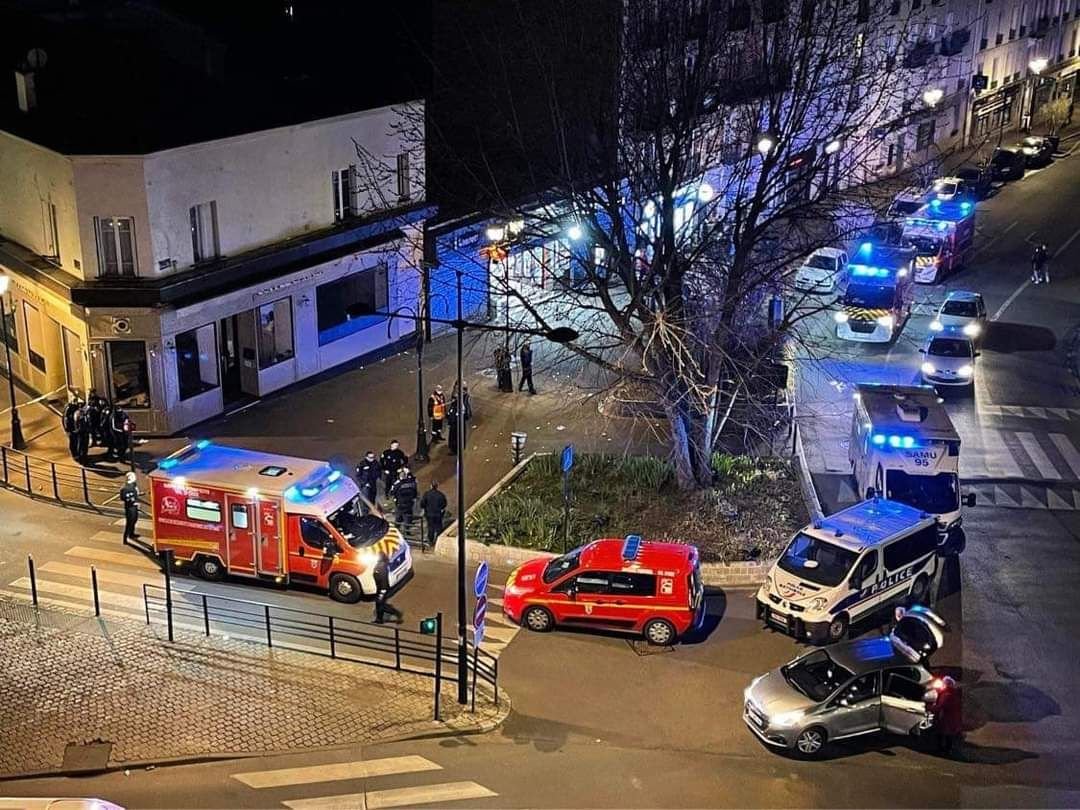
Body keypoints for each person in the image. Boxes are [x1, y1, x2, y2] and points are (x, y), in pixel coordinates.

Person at [930, 676, 963, 755]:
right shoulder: (954, 694)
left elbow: (940, 707)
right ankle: (947, 750)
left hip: (945, 719)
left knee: (941, 734)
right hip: (953, 719)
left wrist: (929, 708)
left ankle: (942, 750)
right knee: (949, 736)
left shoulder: (947, 695)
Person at [372, 555, 403, 624]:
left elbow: (383, 581)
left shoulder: (381, 568)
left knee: (381, 604)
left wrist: (382, 592)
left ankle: (396, 613)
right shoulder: (381, 565)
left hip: (382, 589)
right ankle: (379, 619)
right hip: (380, 587)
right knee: (378, 603)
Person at [419, 480, 447, 551]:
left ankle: (431, 541)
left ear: (431, 486)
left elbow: (422, 503)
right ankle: (438, 540)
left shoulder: (427, 494)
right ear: (437, 486)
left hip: (429, 514)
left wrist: (424, 508)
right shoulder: (441, 494)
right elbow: (444, 504)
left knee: (430, 527)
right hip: (438, 514)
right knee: (438, 527)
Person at [447, 382, 473, 455]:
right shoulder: (455, 395)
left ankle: (458, 448)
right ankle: (453, 448)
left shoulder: (464, 396)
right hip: (455, 418)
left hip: (460, 418)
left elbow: (466, 407)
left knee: (459, 433)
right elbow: (453, 405)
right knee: (453, 433)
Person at [120, 472, 140, 545]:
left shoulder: (133, 486)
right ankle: (125, 539)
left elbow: (136, 494)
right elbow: (123, 498)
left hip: (134, 506)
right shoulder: (125, 489)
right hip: (129, 507)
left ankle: (131, 533)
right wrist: (132, 501)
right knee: (129, 522)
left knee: (134, 519)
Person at [62, 396, 82, 461]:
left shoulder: (76, 407)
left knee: (76, 441)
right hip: (71, 429)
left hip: (75, 428)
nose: (76, 402)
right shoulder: (69, 408)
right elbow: (66, 420)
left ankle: (78, 453)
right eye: (75, 400)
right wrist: (67, 429)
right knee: (73, 442)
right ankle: (74, 454)